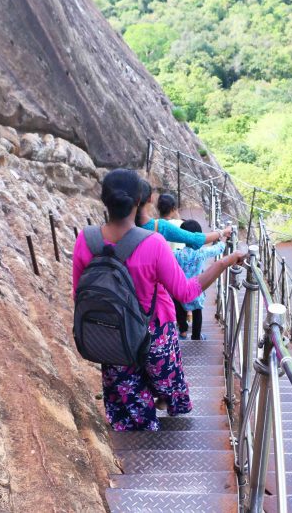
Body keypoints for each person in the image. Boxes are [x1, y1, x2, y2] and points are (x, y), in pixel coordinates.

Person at [72, 169, 245, 431]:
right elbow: (186, 292)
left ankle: (139, 428)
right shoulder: (154, 243)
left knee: (129, 400)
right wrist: (224, 262)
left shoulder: (86, 240)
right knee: (165, 382)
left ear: (104, 200)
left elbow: (79, 295)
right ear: (140, 199)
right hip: (155, 332)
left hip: (112, 335)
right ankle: (166, 402)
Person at [137, 179, 231, 248]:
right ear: (151, 198)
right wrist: (222, 232)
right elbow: (195, 239)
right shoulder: (160, 226)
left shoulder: (125, 227)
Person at [173, 220, 226, 340]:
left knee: (180, 310)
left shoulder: (177, 255)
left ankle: (183, 331)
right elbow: (218, 249)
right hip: (196, 288)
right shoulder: (201, 253)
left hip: (180, 289)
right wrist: (222, 238)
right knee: (197, 313)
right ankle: (196, 336)